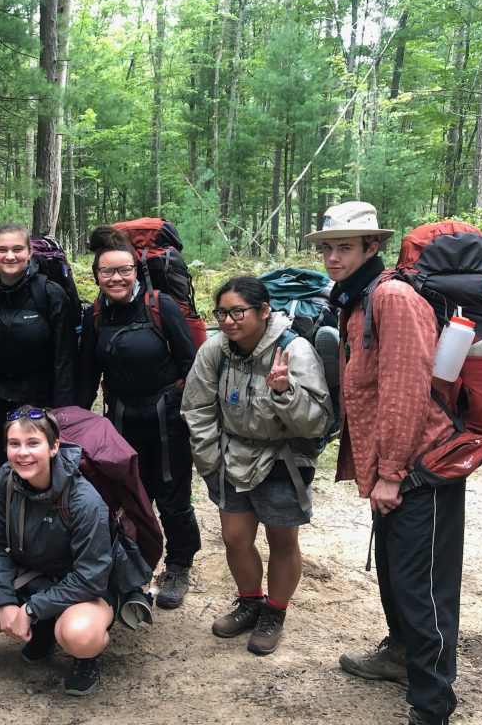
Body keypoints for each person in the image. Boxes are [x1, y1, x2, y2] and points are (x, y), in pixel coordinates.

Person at [309, 201, 461, 725]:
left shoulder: (392, 297)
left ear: (372, 247)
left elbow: (406, 389)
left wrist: (393, 472)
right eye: (327, 247)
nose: (332, 256)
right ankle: (400, 656)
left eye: (344, 247)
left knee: (423, 588)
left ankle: (433, 702)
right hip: (391, 468)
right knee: (397, 577)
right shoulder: (357, 298)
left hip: (421, 468)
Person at [181, 276, 331, 655]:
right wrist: (210, 461)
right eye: (223, 313)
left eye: (238, 312)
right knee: (234, 537)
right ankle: (250, 602)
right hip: (231, 456)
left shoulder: (294, 350)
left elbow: (316, 421)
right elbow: (196, 408)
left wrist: (285, 392)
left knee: (282, 540)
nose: (229, 321)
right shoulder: (216, 349)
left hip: (284, 459)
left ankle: (274, 613)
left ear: (264, 311)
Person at [0, 406, 114, 696]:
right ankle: (45, 628)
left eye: (33, 443)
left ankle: (85, 657)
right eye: (15, 444)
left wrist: (32, 608)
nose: (23, 453)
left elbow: (91, 578)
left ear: (54, 447)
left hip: (84, 587)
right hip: (32, 574)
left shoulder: (84, 500)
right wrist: (5, 602)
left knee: (78, 635)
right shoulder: (5, 480)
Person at [75, 225, 200, 610]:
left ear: (137, 270)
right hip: (122, 417)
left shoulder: (160, 307)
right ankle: (135, 563)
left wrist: (193, 417)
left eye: (124, 270)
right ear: (96, 275)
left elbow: (190, 364)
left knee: (172, 495)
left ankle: (179, 565)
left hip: (168, 417)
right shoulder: (95, 315)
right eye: (108, 272)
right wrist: (71, 423)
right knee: (128, 494)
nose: (116, 278)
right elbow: (85, 377)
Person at [0, 222, 77, 467]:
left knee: (40, 468)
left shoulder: (50, 293)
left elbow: (65, 358)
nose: (10, 256)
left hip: (41, 398)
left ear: (29, 252)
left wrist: (63, 413)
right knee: (5, 466)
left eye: (17, 249)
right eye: (2, 249)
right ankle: (7, 506)